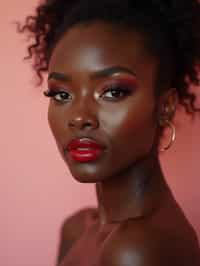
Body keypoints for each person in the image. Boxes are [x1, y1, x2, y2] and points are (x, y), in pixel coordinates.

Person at [19, 0, 200, 265]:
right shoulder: (78, 228)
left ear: (165, 107)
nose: (80, 117)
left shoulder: (140, 249)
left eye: (113, 92)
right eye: (62, 94)